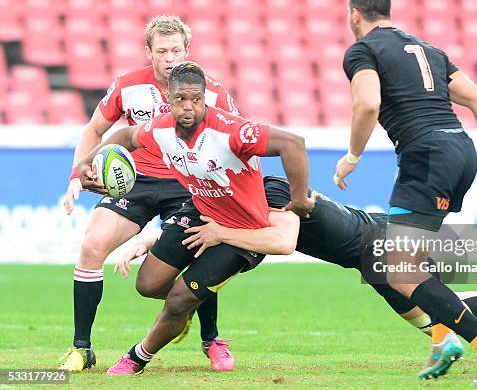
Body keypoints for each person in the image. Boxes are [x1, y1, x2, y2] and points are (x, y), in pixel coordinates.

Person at [117, 175, 477, 369]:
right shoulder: (243, 195)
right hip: (370, 250)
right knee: (438, 322)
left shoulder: (273, 190)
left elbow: (282, 240)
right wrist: (148, 239)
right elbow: (199, 219)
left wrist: (220, 237)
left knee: (443, 318)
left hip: (380, 245)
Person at [335, 0, 477, 385]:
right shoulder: (429, 51)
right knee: (413, 264)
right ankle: (445, 338)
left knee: (398, 271)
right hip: (461, 151)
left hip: (425, 156)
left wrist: (352, 156)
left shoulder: (363, 51)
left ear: (356, 14)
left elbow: (367, 103)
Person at [77, 61, 314, 375]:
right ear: (169, 100)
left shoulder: (231, 130)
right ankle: (188, 309)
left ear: (204, 98)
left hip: (242, 231)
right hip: (200, 213)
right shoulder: (159, 128)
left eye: (196, 100)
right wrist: (87, 162)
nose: (188, 107)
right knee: (148, 284)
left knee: (178, 299)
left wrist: (298, 201)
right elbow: (124, 136)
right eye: (180, 100)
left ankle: (137, 357)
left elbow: (293, 144)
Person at [60, 15, 238, 372]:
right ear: (148, 52)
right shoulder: (127, 86)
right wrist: (77, 175)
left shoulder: (213, 91)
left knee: (201, 253)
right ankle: (81, 349)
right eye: (162, 51)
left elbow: (232, 144)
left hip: (188, 182)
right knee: (92, 245)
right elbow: (94, 129)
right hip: (136, 180)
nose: (170, 57)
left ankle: (211, 339)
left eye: (176, 50)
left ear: (188, 51)